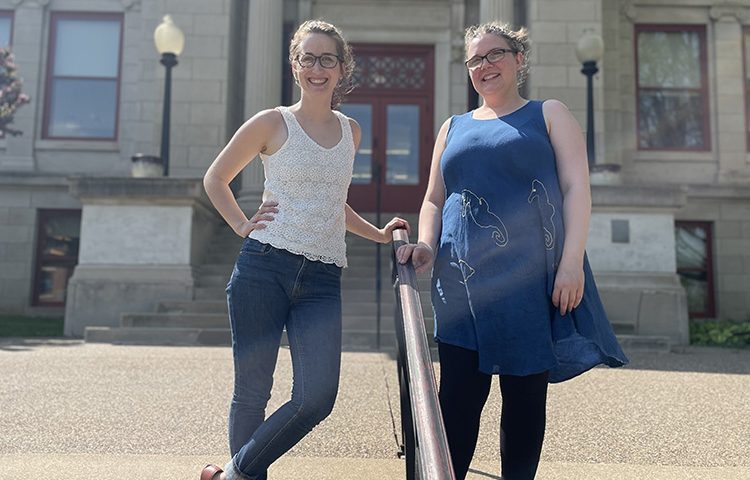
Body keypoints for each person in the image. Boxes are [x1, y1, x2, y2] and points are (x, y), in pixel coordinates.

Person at [396, 21, 628, 480]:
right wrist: (424, 243)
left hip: (528, 279)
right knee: (457, 401)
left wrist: (571, 264)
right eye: (475, 60)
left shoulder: (549, 113)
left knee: (523, 402)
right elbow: (434, 199)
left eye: (495, 54)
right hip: (460, 281)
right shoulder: (452, 126)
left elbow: (576, 188)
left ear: (519, 59)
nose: (485, 66)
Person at [201, 20, 409, 480]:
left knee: (317, 396)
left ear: (341, 68)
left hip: (321, 279)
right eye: (308, 58)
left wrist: (377, 234)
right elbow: (215, 178)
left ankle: (230, 474)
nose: (318, 68)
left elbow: (334, 203)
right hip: (263, 268)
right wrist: (240, 224)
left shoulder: (351, 131)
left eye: (327, 59)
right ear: (295, 67)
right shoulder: (272, 122)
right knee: (252, 392)